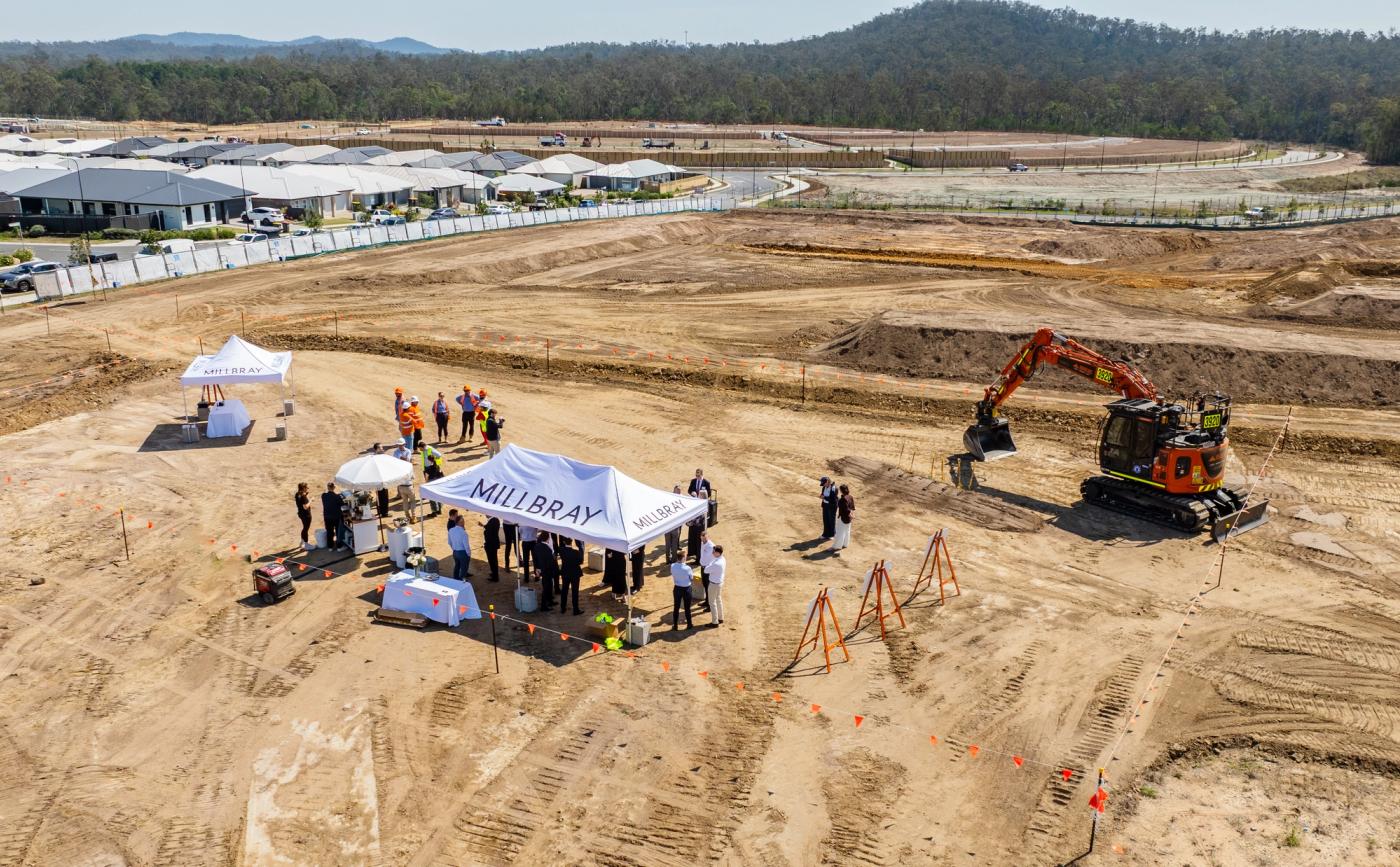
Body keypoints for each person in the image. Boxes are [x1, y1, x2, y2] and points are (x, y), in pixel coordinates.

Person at [418, 443, 445, 516]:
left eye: (420, 448)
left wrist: (426, 483)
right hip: (437, 479)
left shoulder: (430, 449)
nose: (420, 450)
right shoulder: (437, 468)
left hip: (431, 479)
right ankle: (439, 510)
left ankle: (434, 512)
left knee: (432, 496)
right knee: (438, 495)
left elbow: (439, 455)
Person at [534, 533, 558, 611]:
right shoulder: (547, 548)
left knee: (549, 586)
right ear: (547, 539)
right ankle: (544, 606)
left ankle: (550, 601)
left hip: (543, 570)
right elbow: (550, 561)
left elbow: (536, 559)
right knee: (546, 588)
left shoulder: (537, 546)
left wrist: (537, 569)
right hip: (547, 571)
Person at [558, 540, 583, 614]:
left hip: (565, 573)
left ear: (564, 542)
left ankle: (563, 608)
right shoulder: (576, 552)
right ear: (572, 542)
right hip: (575, 574)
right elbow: (580, 561)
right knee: (575, 592)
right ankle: (575, 609)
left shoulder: (561, 550)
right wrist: (580, 547)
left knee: (564, 590)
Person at [669, 556, 694, 630]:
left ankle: (675, 625)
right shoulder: (687, 568)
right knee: (687, 608)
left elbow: (672, 573)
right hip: (687, 589)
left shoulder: (672, 566)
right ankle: (689, 624)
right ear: (683, 558)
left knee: (676, 607)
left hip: (677, 589)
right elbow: (691, 578)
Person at [321, 482, 346, 550]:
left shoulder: (323, 495)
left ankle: (330, 547)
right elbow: (342, 504)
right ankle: (339, 547)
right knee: (338, 532)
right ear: (334, 488)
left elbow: (326, 494)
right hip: (336, 517)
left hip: (327, 517)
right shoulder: (337, 497)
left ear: (328, 487)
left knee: (329, 531)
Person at [448, 515, 472, 581]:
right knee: (464, 568)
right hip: (463, 553)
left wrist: (454, 549)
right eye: (463, 521)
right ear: (460, 523)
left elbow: (449, 542)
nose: (464, 522)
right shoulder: (463, 533)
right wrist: (469, 554)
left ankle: (455, 579)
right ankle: (462, 581)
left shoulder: (451, 530)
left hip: (455, 552)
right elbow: (466, 546)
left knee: (457, 566)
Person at [707, 545, 726, 626]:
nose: (712, 553)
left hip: (714, 584)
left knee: (712, 602)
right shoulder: (723, 559)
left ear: (718, 553)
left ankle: (715, 622)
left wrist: (711, 562)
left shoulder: (716, 563)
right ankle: (721, 618)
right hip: (720, 583)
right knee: (718, 599)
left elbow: (706, 570)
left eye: (714, 552)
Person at [832, 484, 855, 553]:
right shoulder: (850, 497)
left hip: (843, 517)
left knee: (840, 532)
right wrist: (851, 514)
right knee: (847, 531)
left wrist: (850, 513)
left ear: (841, 491)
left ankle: (837, 546)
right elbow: (852, 507)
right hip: (849, 518)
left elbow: (845, 509)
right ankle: (845, 544)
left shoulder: (842, 499)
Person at [664, 486, 683, 564]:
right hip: (674, 527)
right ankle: (673, 560)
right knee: (674, 545)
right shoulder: (680, 502)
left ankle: (668, 560)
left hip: (668, 527)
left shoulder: (668, 500)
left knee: (668, 545)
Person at [698, 530, 716, 612]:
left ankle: (710, 605)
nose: (703, 540)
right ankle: (707, 601)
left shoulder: (711, 546)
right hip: (703, 567)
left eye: (704, 538)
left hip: (708, 568)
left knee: (709, 587)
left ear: (707, 537)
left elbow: (713, 558)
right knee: (705, 585)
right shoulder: (702, 543)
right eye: (702, 538)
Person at [481, 515, 501, 581]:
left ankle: (495, 577)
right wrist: (483, 526)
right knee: (493, 560)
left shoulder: (493, 520)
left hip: (490, 545)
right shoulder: (495, 519)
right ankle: (494, 573)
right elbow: (490, 528)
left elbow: (488, 533)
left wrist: (484, 531)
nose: (485, 514)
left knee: (492, 560)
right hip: (493, 544)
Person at [820, 476, 839, 540]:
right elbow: (823, 494)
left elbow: (833, 499)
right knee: (825, 520)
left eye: (824, 483)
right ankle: (825, 534)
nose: (823, 485)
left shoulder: (834, 488)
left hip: (832, 506)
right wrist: (821, 496)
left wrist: (824, 497)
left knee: (831, 520)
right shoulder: (824, 487)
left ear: (828, 482)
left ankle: (832, 534)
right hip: (825, 505)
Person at [295, 482, 312, 550]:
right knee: (306, 529)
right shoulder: (303, 496)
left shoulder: (297, 494)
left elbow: (300, 501)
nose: (307, 488)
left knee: (304, 528)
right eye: (306, 487)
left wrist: (305, 495)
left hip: (301, 514)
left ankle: (302, 542)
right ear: (304, 488)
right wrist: (311, 500)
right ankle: (306, 544)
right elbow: (305, 506)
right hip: (306, 515)